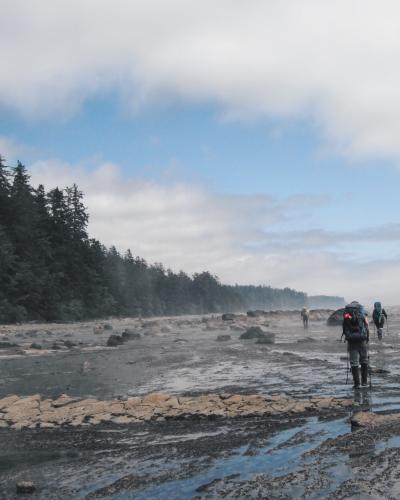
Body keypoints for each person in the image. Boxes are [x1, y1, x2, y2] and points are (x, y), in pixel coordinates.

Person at [342, 301, 369, 389]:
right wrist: (367, 338)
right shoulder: (362, 314)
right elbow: (367, 326)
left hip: (351, 341)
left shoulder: (347, 315)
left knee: (354, 362)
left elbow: (344, 327)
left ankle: (357, 384)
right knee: (364, 360)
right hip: (362, 341)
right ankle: (364, 382)